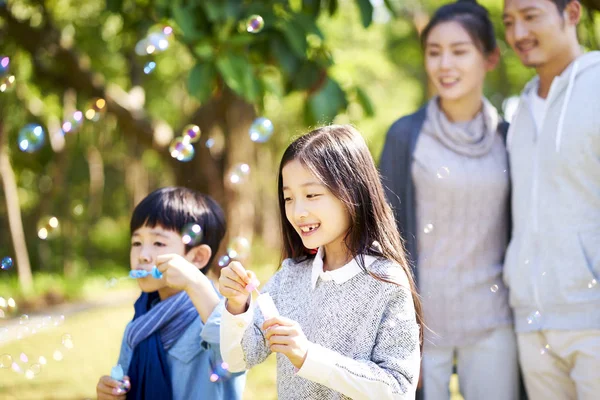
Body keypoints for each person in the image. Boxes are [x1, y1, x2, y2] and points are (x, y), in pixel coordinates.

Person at [215, 125, 423, 399]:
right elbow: (239, 358)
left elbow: (398, 389)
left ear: (353, 192)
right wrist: (237, 306)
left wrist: (310, 357)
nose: (298, 212)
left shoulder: (386, 281)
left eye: (312, 195)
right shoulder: (290, 277)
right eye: (288, 198)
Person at [379, 1, 519, 399]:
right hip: (422, 326)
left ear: (490, 57)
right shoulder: (405, 137)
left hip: (495, 322)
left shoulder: (511, 138)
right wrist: (401, 331)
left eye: (460, 51)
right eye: (434, 52)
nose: (445, 64)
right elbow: (385, 238)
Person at [501, 0, 600, 398]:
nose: (518, 33)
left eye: (530, 16)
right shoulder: (518, 109)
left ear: (571, 13)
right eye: (509, 22)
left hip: (593, 318)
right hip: (531, 321)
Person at [95, 187, 246, 400]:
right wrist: (110, 393)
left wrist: (195, 282)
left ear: (198, 257)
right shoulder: (140, 323)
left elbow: (236, 355)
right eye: (136, 242)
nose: (143, 255)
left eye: (158, 243)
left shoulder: (219, 316)